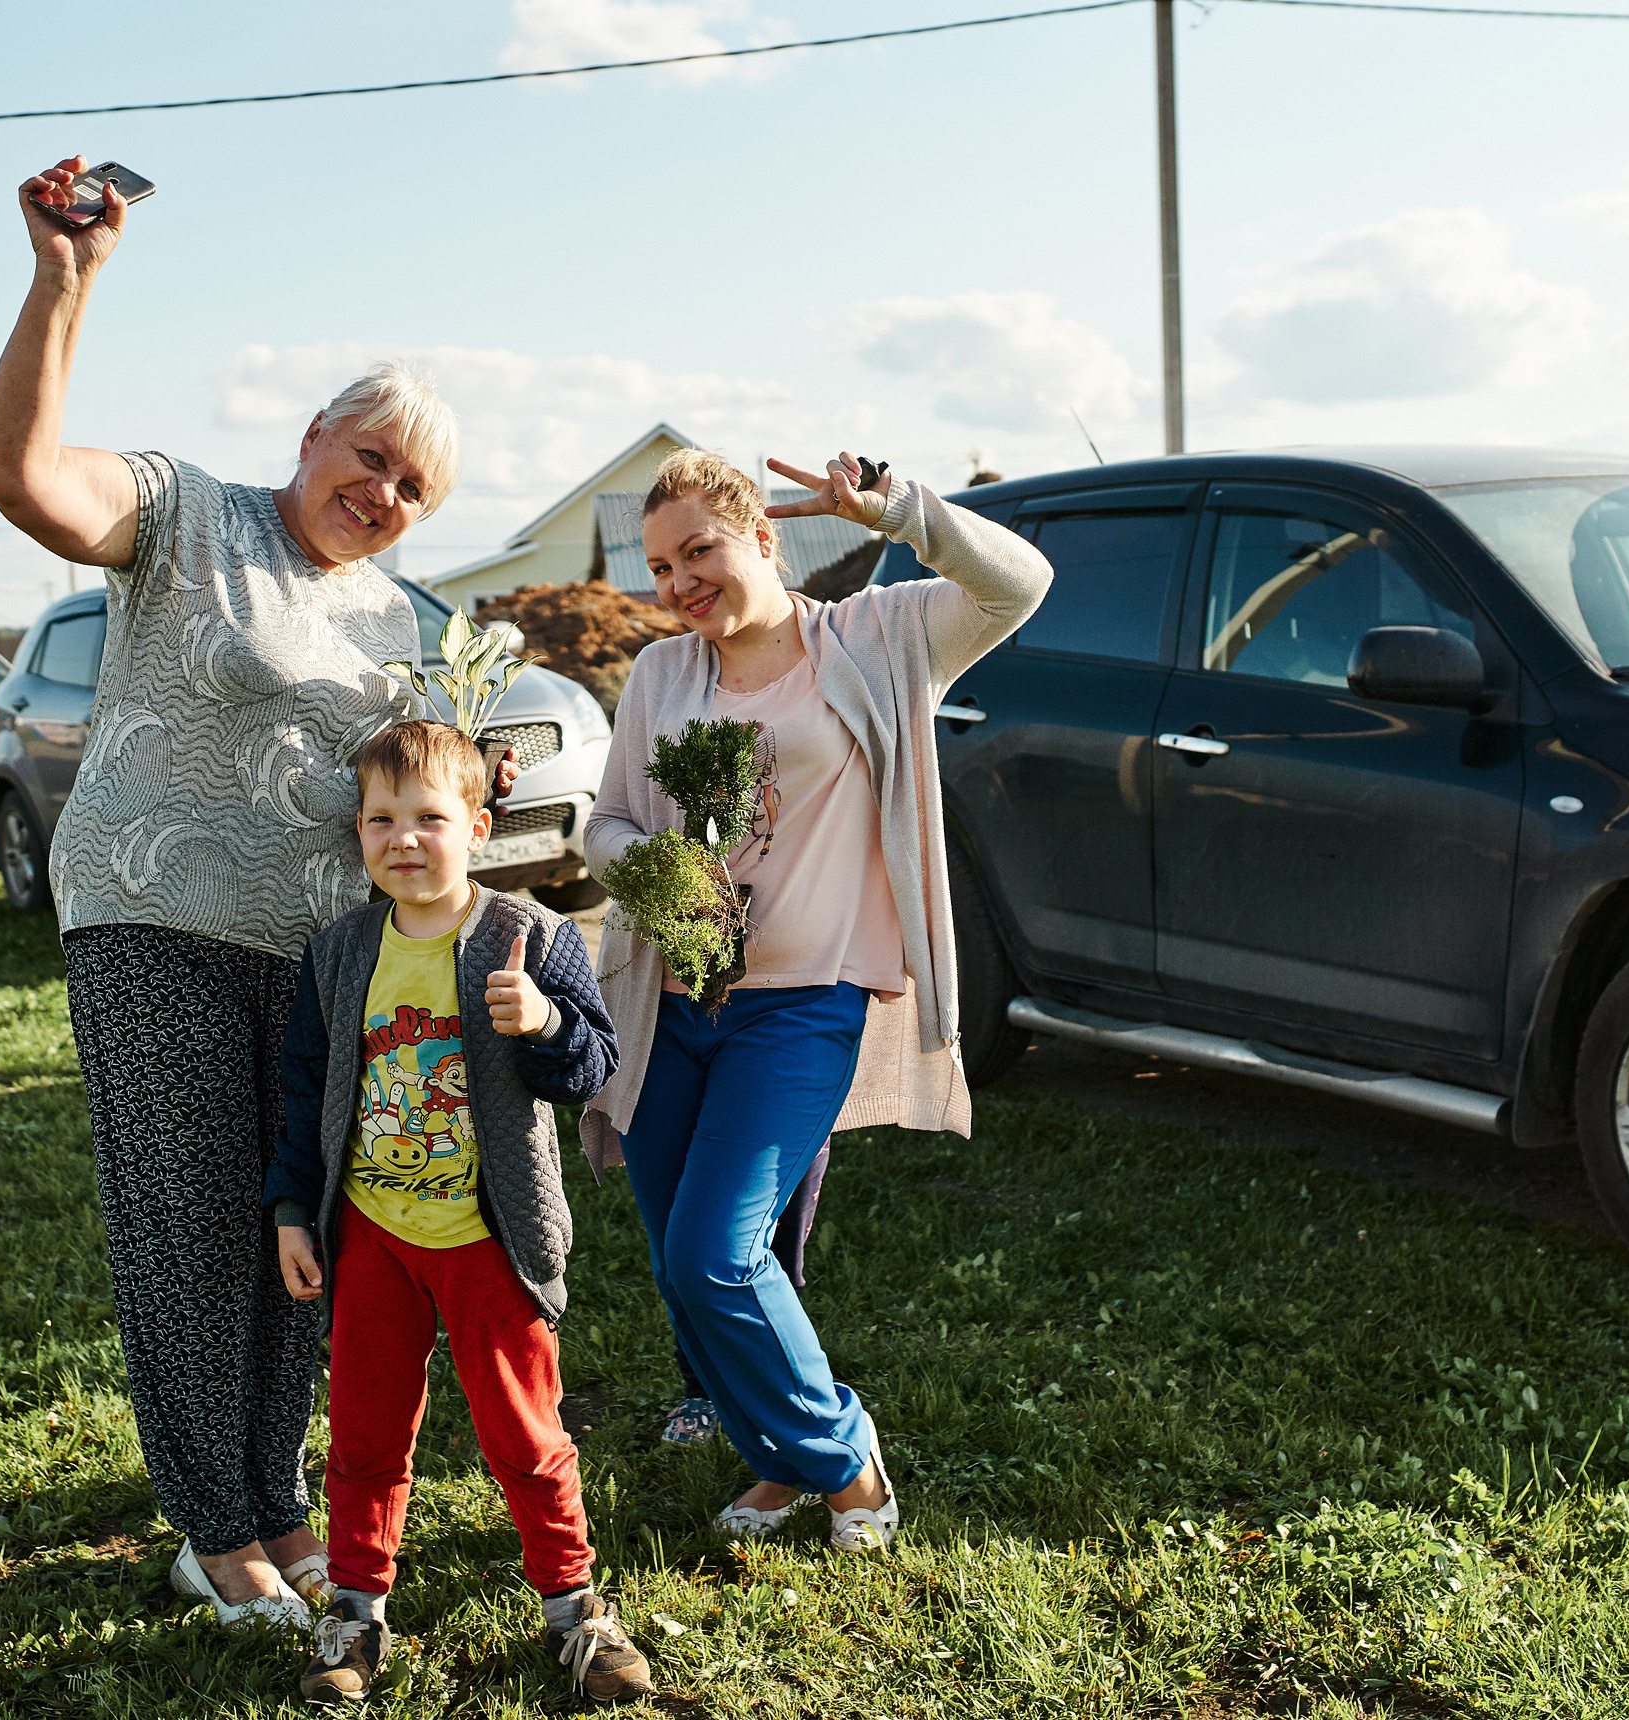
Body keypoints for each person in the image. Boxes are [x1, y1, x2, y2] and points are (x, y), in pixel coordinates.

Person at [0, 156, 497, 1630]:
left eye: (414, 488)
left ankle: (274, 1497)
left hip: (320, 956)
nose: (383, 493)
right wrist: (64, 281)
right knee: (189, 1223)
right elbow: (23, 478)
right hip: (154, 921)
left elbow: (404, 781)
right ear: (314, 430)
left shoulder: (396, 615)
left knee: (299, 1230)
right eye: (371, 456)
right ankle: (214, 1526)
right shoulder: (187, 512)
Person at [584, 449, 1051, 1552]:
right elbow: (604, 826)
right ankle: (778, 1460)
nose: (680, 582)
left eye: (699, 550)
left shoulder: (878, 636)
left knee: (717, 1251)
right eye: (661, 567)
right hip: (673, 1002)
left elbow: (1018, 585)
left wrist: (903, 514)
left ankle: (845, 1461)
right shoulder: (661, 674)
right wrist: (654, 868)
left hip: (803, 1004)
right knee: (679, 1266)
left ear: (763, 537)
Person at [266, 720, 648, 1705]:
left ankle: (573, 1606)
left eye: (429, 818)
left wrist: (546, 1022)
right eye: (380, 819)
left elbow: (593, 1067)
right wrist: (292, 1209)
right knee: (363, 1433)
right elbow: (306, 1092)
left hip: (490, 1238)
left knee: (524, 1432)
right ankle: (355, 1610)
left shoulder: (530, 936)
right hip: (373, 1236)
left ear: (477, 827)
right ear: (358, 831)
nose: (404, 838)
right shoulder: (340, 954)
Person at [660, 1143, 826, 1445]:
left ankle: (780, 1398)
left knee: (780, 1263)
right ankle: (702, 1390)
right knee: (690, 1257)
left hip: (793, 1129)